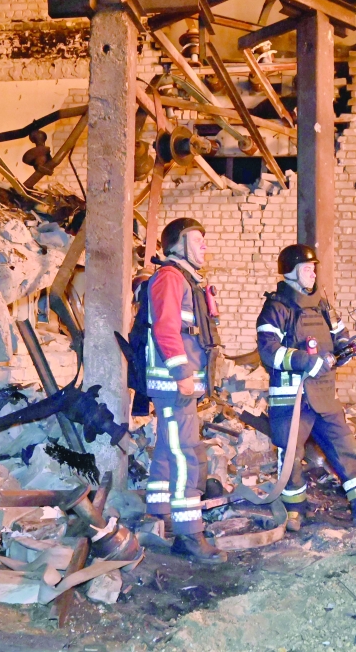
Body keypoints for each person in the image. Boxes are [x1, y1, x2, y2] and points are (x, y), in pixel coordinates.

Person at [257, 244, 356, 532]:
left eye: (314, 268)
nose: (312, 273)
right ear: (290, 272)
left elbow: (340, 341)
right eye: (306, 268)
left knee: (346, 448)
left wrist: (351, 348)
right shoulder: (276, 308)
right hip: (292, 400)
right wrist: (305, 361)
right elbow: (268, 351)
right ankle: (293, 511)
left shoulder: (323, 306)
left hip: (325, 397)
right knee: (291, 457)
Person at [143, 217, 227, 564]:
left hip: (179, 385)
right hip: (174, 384)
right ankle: (189, 536)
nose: (205, 245)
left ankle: (159, 513)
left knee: (167, 448)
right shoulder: (169, 278)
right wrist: (181, 373)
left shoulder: (186, 280)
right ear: (177, 244)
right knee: (187, 455)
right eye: (198, 239)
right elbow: (165, 329)